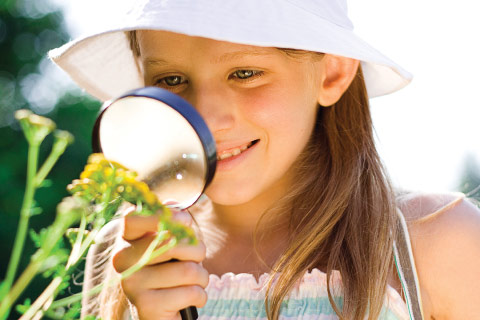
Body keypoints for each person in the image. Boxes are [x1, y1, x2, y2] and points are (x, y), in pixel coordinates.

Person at [49, 1, 480, 319]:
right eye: (172, 79)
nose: (207, 117)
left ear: (331, 74)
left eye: (245, 73)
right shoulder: (126, 252)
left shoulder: (436, 241)